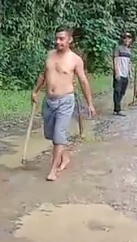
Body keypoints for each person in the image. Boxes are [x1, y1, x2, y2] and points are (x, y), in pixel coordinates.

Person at [31, 26, 96, 182]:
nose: (58, 41)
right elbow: (43, 74)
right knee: (52, 134)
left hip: (65, 101)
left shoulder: (75, 60)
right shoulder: (50, 55)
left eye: (61, 39)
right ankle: (65, 157)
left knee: (59, 134)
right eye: (57, 38)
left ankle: (53, 169)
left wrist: (90, 103)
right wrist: (35, 91)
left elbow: (83, 81)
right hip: (49, 100)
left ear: (69, 40)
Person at [112, 32, 134, 116]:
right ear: (122, 39)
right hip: (119, 73)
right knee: (117, 91)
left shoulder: (129, 51)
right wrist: (117, 73)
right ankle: (117, 109)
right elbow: (115, 60)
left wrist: (130, 74)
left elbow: (129, 63)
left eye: (129, 38)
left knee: (122, 92)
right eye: (125, 38)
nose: (127, 39)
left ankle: (117, 107)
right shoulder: (118, 49)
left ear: (131, 40)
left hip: (125, 74)